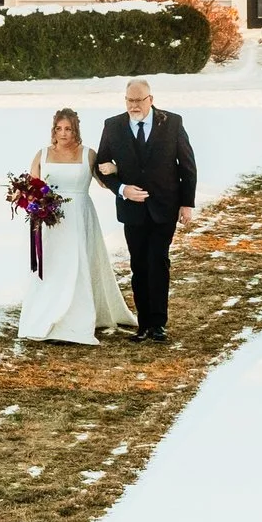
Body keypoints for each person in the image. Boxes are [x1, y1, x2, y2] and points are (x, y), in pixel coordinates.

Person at [94, 77, 197, 343]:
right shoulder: (113, 126)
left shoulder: (172, 123)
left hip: (165, 205)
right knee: (138, 264)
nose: (134, 105)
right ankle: (143, 324)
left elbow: (187, 166)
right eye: (129, 100)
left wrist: (186, 204)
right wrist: (121, 188)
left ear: (151, 99)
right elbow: (101, 165)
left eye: (139, 100)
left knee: (158, 261)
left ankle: (158, 323)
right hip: (132, 209)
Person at [17, 108, 130, 344]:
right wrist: (26, 198)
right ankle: (45, 314)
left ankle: (77, 319)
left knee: (78, 262)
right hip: (52, 221)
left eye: (68, 128)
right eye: (59, 128)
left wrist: (117, 169)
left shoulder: (88, 154)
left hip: (80, 215)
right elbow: (32, 186)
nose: (63, 133)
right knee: (54, 265)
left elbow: (103, 181)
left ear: (76, 129)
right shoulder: (42, 155)